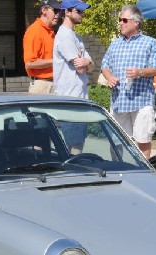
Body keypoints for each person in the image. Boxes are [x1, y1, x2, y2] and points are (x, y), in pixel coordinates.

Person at [100, 4, 156, 158]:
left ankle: (144, 177)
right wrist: (109, 77)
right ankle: (119, 171)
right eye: (120, 20)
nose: (120, 23)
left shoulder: (150, 42)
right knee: (116, 142)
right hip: (119, 101)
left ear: (136, 22)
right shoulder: (115, 43)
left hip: (141, 101)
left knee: (143, 141)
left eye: (124, 20)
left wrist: (140, 72)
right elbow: (104, 65)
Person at [53, 0, 94, 154]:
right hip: (70, 98)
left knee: (77, 142)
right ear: (67, 12)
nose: (82, 14)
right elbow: (81, 67)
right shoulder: (64, 36)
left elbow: (91, 65)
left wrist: (87, 62)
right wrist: (86, 63)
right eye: (79, 11)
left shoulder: (76, 37)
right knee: (74, 146)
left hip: (79, 96)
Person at [23, 0, 61, 94]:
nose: (58, 14)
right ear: (44, 10)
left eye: (59, 11)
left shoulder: (50, 31)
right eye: (55, 10)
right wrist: (56, 60)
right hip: (42, 85)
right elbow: (30, 63)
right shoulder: (35, 30)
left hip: (53, 83)